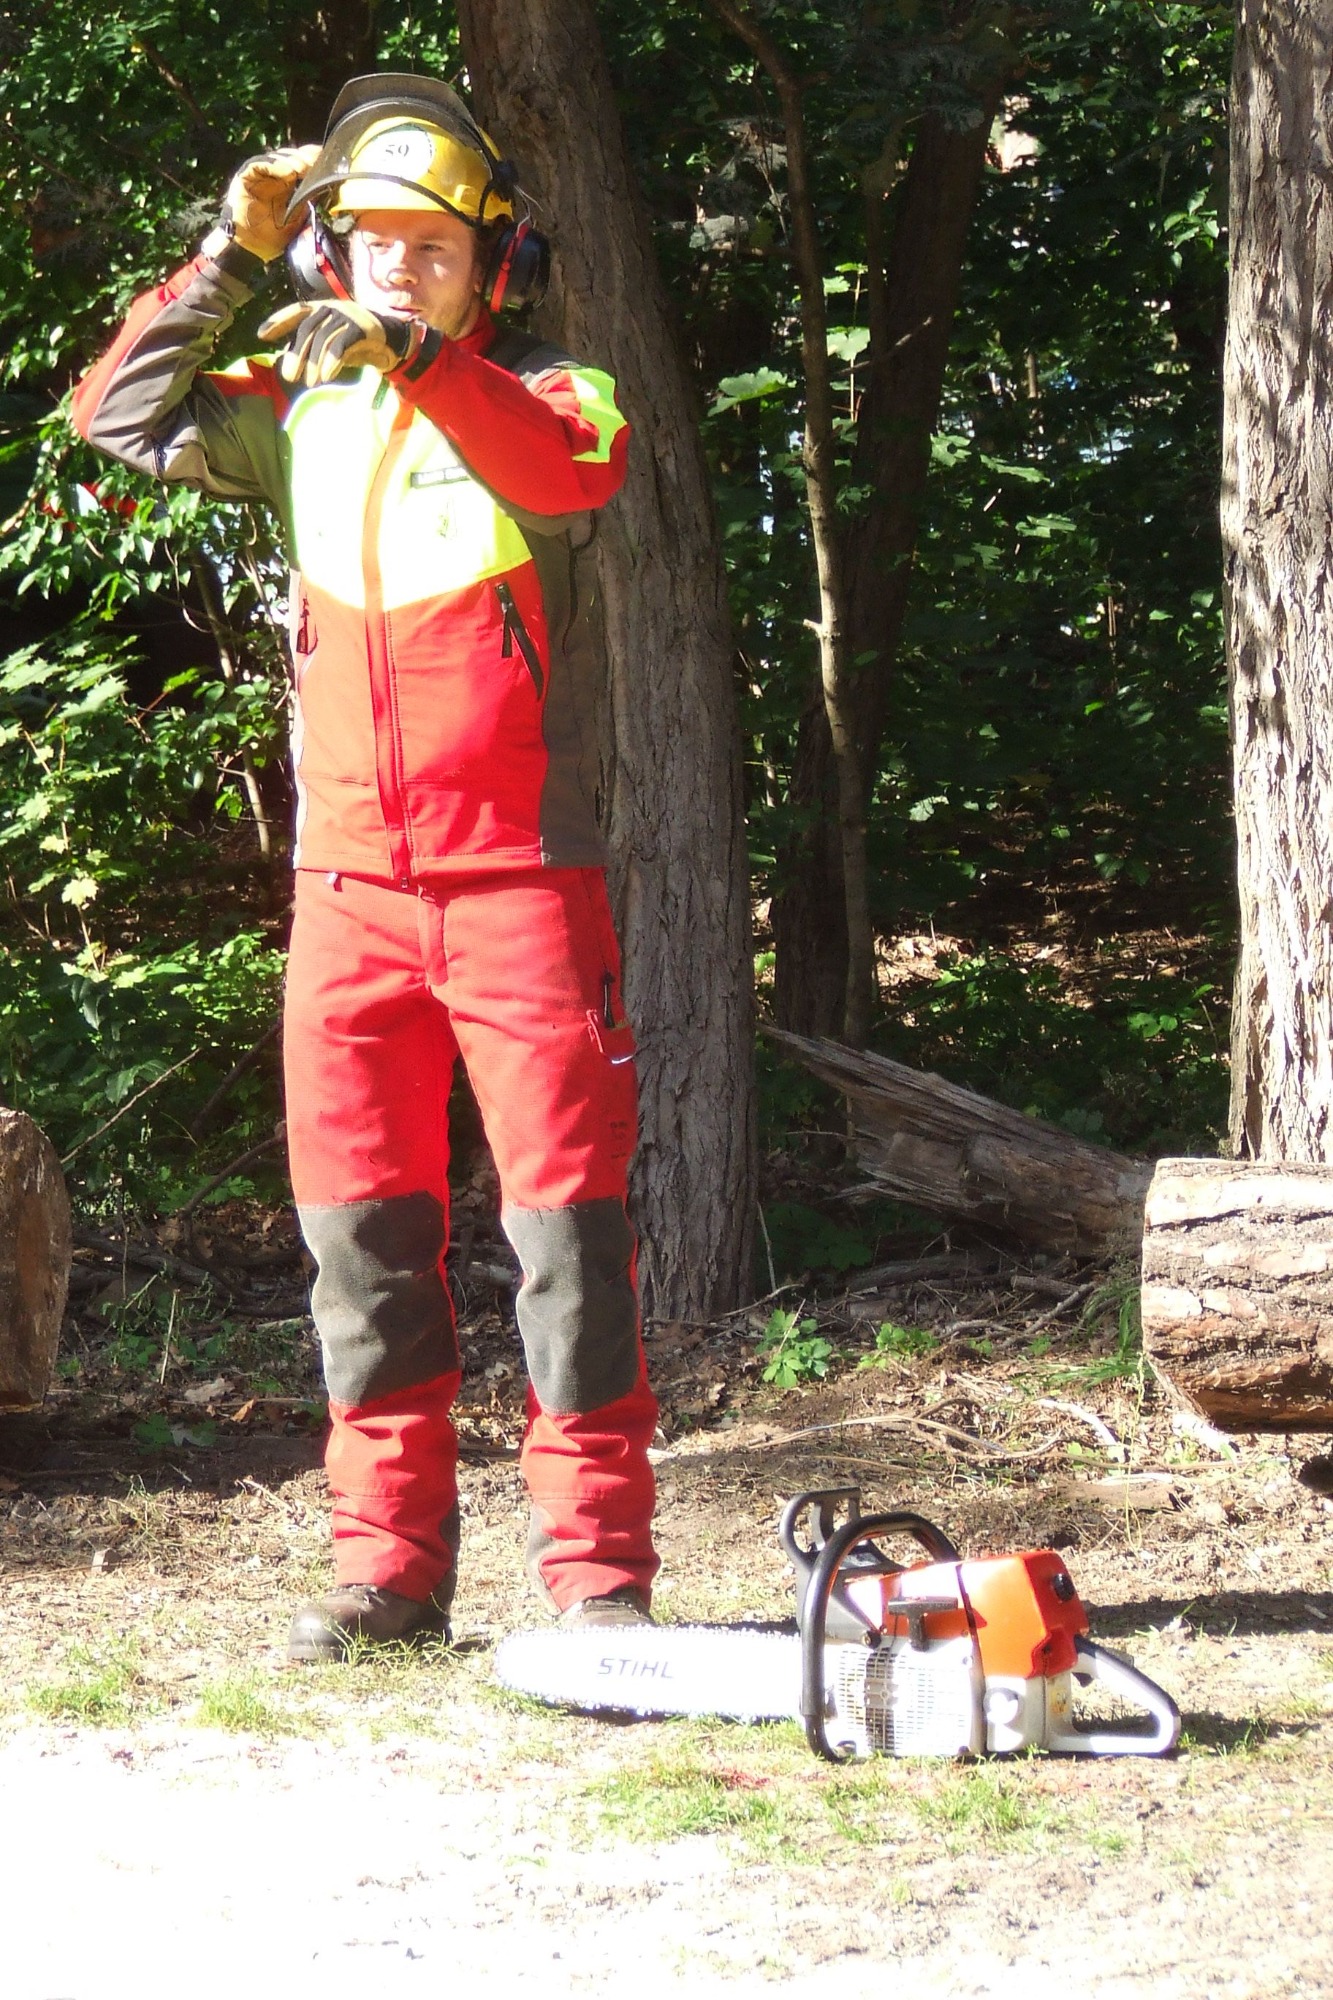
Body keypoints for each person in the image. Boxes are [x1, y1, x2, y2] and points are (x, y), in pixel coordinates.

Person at [73, 74, 659, 1659]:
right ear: (334, 251)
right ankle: (389, 1576)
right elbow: (112, 417)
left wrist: (412, 358)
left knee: (568, 1243)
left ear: (490, 264)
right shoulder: (296, 408)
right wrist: (225, 255)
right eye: (374, 237)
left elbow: (570, 474)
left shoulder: (559, 395)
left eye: (433, 243)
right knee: (362, 1246)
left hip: (522, 887)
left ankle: (596, 1581)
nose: (401, 261)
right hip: (344, 900)